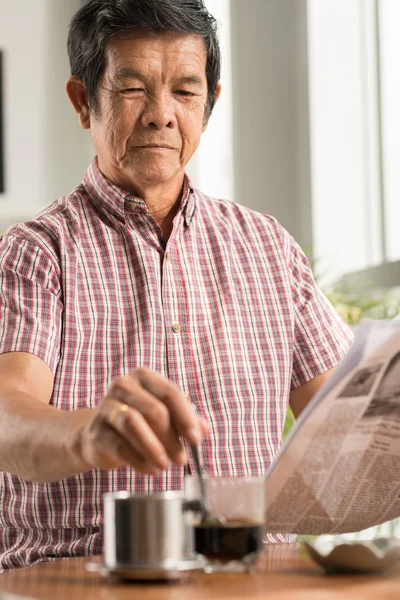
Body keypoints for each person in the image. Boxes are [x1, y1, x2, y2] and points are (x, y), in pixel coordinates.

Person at [0, 0, 353, 572]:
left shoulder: (270, 248)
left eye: (185, 93)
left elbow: (348, 424)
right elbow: (7, 415)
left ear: (211, 104)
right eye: (133, 88)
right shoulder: (39, 252)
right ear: (83, 101)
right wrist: (87, 434)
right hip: (85, 576)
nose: (161, 115)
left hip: (251, 577)